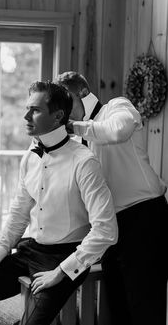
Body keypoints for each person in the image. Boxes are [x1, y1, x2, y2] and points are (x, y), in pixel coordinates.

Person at [0, 81, 118, 325]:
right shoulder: (29, 157)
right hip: (30, 250)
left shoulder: (84, 162)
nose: (25, 115)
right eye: (27, 108)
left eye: (35, 110)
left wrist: (61, 271)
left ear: (58, 115)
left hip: (65, 256)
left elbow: (106, 229)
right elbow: (18, 215)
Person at [55, 71, 168, 325]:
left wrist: (72, 127)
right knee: (116, 305)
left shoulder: (117, 107)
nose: (62, 110)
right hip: (108, 226)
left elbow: (118, 132)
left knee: (146, 305)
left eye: (66, 101)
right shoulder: (76, 142)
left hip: (145, 218)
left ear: (82, 94)